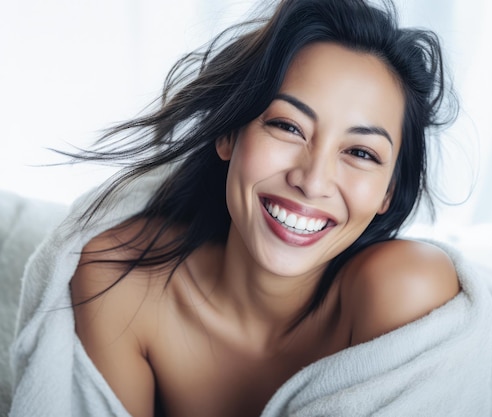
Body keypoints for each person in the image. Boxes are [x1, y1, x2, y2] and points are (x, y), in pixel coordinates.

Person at [65, 0, 457, 415]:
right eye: (288, 127)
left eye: (360, 152)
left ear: (388, 193)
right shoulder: (119, 282)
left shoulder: (407, 289)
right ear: (228, 134)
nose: (313, 180)